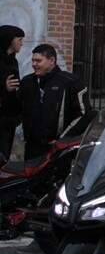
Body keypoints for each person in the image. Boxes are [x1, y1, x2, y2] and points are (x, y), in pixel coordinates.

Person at [18, 44, 90, 159]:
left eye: (38, 61)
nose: (34, 64)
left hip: (59, 149)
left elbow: (84, 115)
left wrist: (63, 139)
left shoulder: (70, 83)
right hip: (32, 148)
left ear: (51, 61)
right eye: (33, 61)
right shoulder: (27, 82)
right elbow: (16, 110)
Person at [0, 25, 24, 162]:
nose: (21, 43)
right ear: (9, 40)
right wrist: (4, 87)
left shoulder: (13, 61)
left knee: (5, 157)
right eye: (19, 39)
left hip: (9, 119)